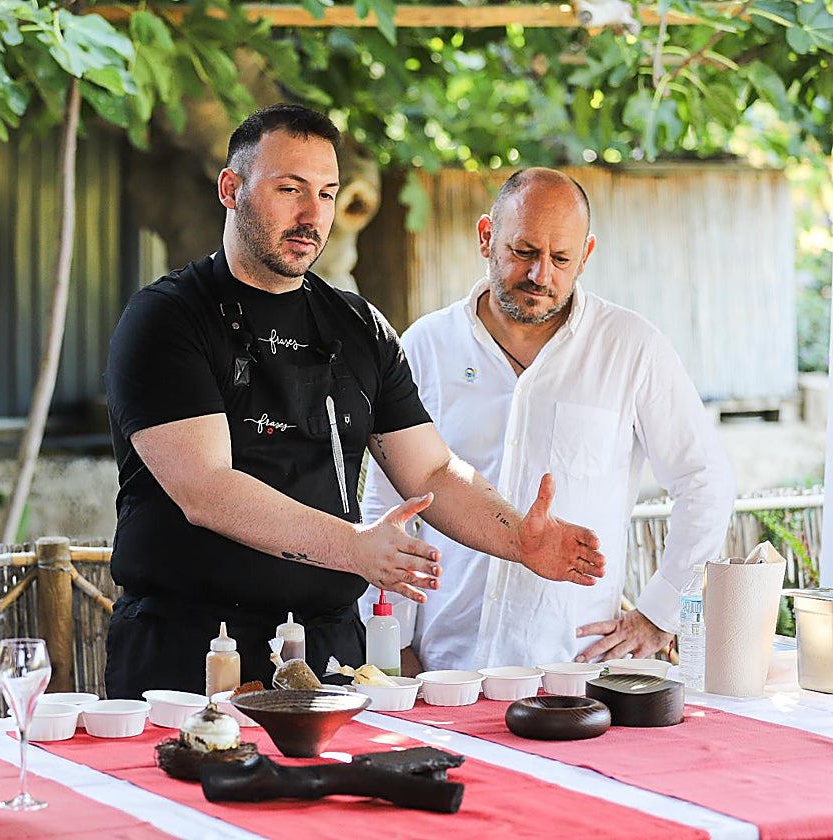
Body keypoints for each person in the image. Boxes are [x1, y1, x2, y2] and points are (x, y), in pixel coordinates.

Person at [103, 107, 605, 699]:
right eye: (290, 190)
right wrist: (355, 547)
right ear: (231, 189)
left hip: (331, 654)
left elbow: (433, 471)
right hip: (190, 650)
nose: (312, 214)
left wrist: (519, 537)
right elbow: (206, 489)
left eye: (327, 193)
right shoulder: (166, 317)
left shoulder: (359, 325)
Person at [358, 168, 736, 674]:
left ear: (586, 255)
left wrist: (658, 615)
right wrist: (392, 638)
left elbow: (705, 480)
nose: (541, 275)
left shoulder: (631, 347)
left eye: (561, 259)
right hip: (441, 664)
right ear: (486, 237)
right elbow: (389, 501)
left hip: (571, 669)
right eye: (524, 252)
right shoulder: (426, 346)